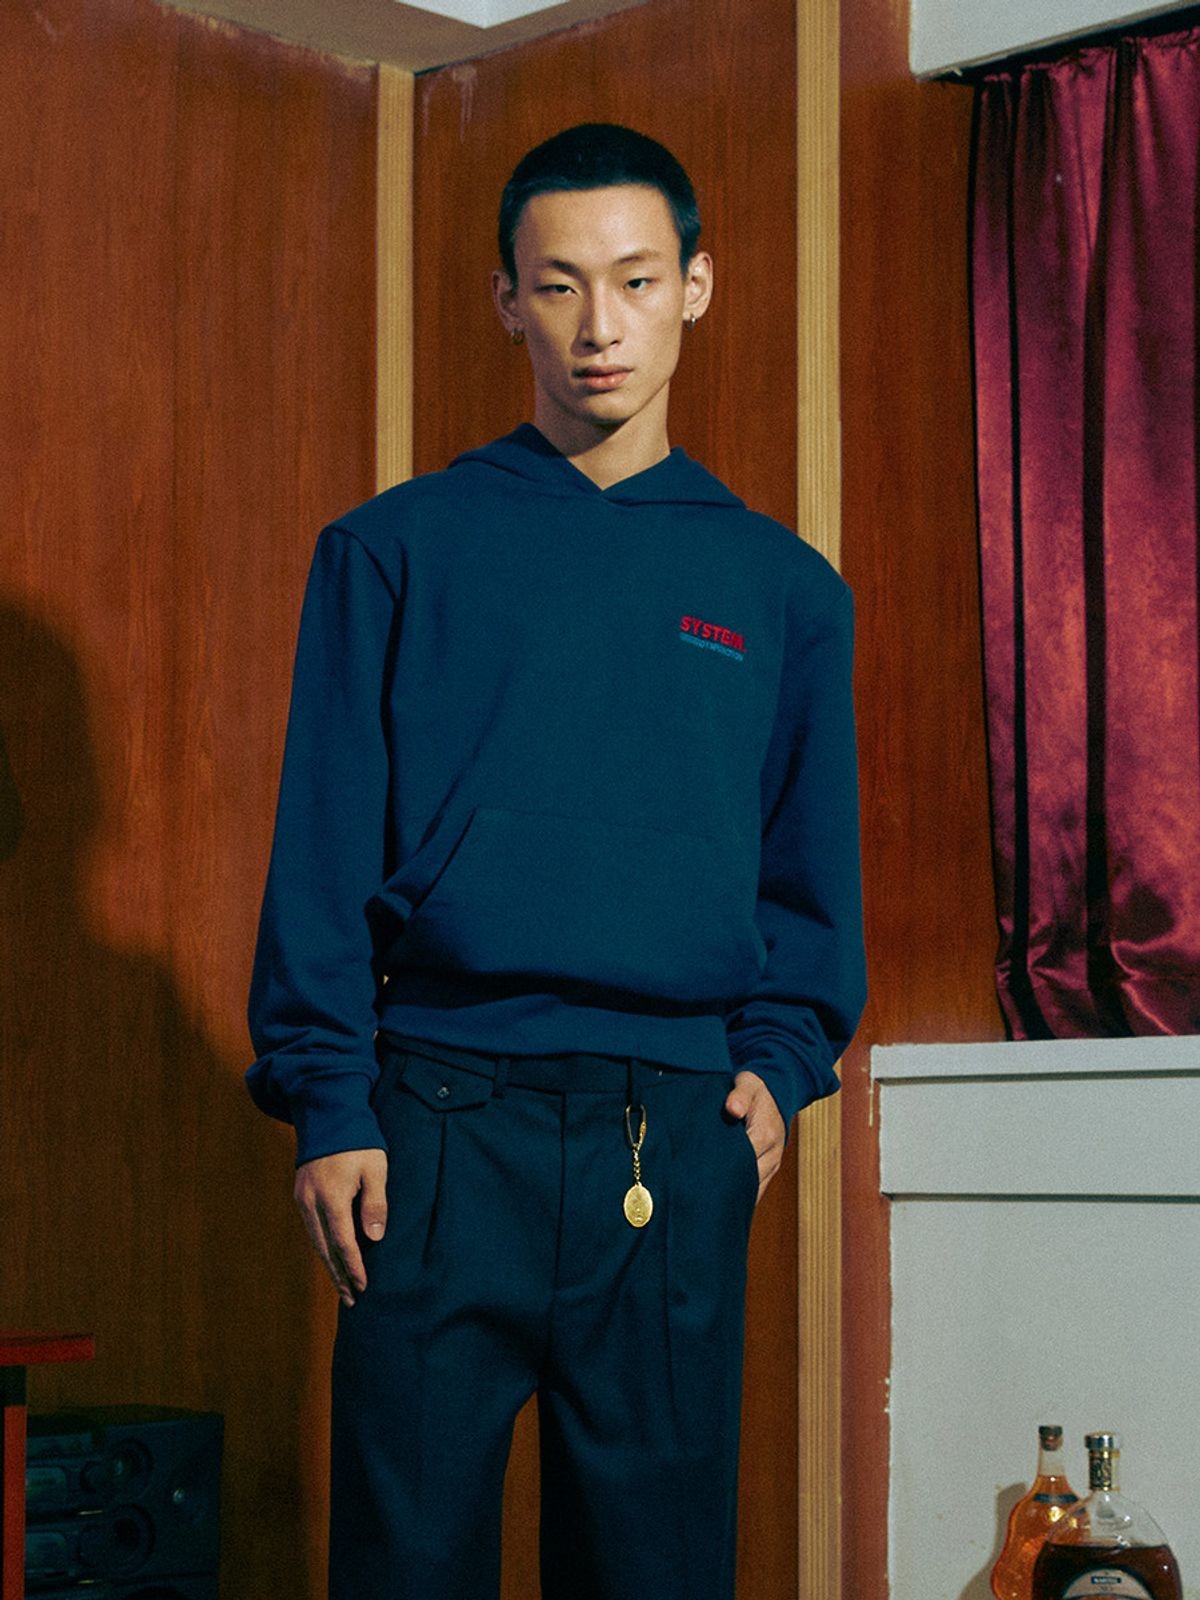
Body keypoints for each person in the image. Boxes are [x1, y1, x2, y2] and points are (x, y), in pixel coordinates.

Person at [246, 121, 866, 1600]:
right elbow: (319, 853)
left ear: (696, 287)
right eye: (561, 284)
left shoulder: (783, 590)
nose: (601, 327)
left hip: (677, 1130)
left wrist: (778, 1068)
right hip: (431, 1132)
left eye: (637, 281)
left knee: (657, 1572)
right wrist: (331, 1099)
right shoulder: (392, 551)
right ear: (506, 299)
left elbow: (810, 877)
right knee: (404, 1565)